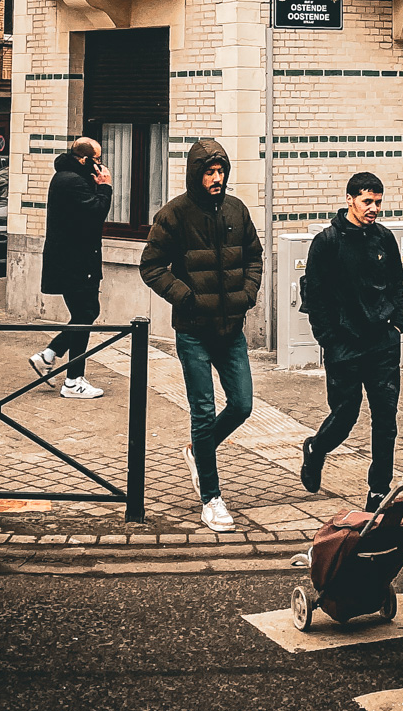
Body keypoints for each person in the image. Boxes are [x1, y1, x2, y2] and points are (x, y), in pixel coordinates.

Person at [140, 137, 262, 532]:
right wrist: (185, 297)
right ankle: (211, 499)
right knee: (203, 410)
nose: (217, 178)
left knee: (242, 404)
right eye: (210, 172)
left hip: (231, 329)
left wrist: (247, 294)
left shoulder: (236, 210)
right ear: (196, 174)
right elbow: (152, 266)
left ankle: (198, 450)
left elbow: (255, 257)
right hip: (193, 330)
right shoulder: (174, 214)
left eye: (221, 171)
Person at [298, 170, 403, 512]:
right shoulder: (327, 242)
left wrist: (397, 321)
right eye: (367, 202)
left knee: (385, 420)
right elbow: (313, 295)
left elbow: (396, 283)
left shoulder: (385, 239)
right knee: (345, 416)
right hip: (344, 345)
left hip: (383, 343)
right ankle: (316, 448)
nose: (373, 208)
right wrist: (328, 338)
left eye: (378, 202)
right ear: (350, 200)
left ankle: (378, 490)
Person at [29, 137, 113, 399]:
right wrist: (106, 187)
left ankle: (49, 356)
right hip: (75, 262)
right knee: (85, 314)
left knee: (86, 313)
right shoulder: (72, 182)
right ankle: (72, 380)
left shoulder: (67, 177)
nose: (100, 165)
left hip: (74, 260)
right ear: (84, 159)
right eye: (97, 159)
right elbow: (96, 212)